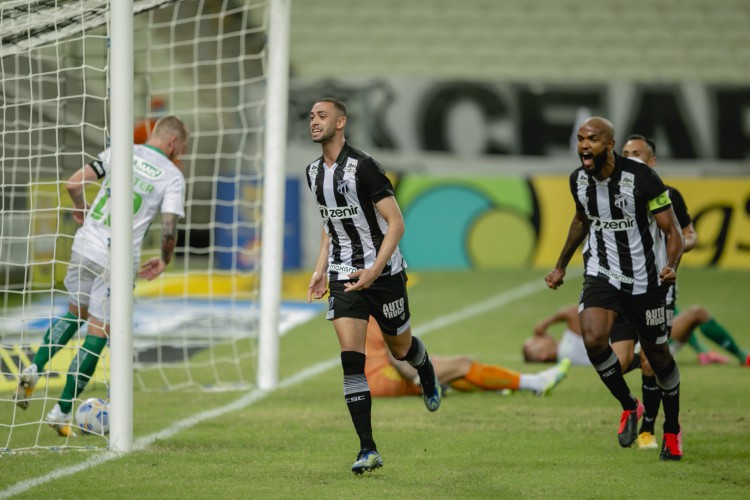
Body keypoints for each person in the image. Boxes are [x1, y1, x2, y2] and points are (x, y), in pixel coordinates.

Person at [13, 116, 189, 437]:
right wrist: (164, 259)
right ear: (174, 143)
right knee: (97, 335)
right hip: (116, 260)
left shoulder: (119, 151)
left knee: (72, 314)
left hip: (84, 245)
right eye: (181, 149)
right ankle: (61, 410)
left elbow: (74, 183)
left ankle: (33, 369)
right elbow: (168, 228)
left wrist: (81, 209)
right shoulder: (172, 176)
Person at [305, 97, 441, 475]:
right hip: (343, 275)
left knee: (401, 349)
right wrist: (320, 269)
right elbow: (331, 225)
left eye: (322, 116)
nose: (314, 122)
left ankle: (425, 367)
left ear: (341, 122)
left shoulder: (365, 168)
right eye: (311, 116)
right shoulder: (313, 172)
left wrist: (375, 270)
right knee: (352, 360)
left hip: (385, 275)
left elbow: (396, 223)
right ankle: (368, 448)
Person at [544, 117, 685, 461]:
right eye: (579, 139)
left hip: (644, 280)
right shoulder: (578, 180)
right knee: (592, 338)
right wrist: (561, 264)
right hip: (601, 272)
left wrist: (672, 266)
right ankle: (629, 405)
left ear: (609, 144)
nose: (583, 146)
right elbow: (581, 219)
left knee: (659, 359)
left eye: (591, 139)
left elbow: (672, 231)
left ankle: (673, 429)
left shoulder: (642, 178)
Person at [365, 318, 571, 397]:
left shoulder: (361, 307)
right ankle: (535, 383)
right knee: (461, 365)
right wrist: (418, 375)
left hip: (373, 377)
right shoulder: (380, 305)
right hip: (384, 376)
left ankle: (502, 386)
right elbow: (397, 354)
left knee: (452, 367)